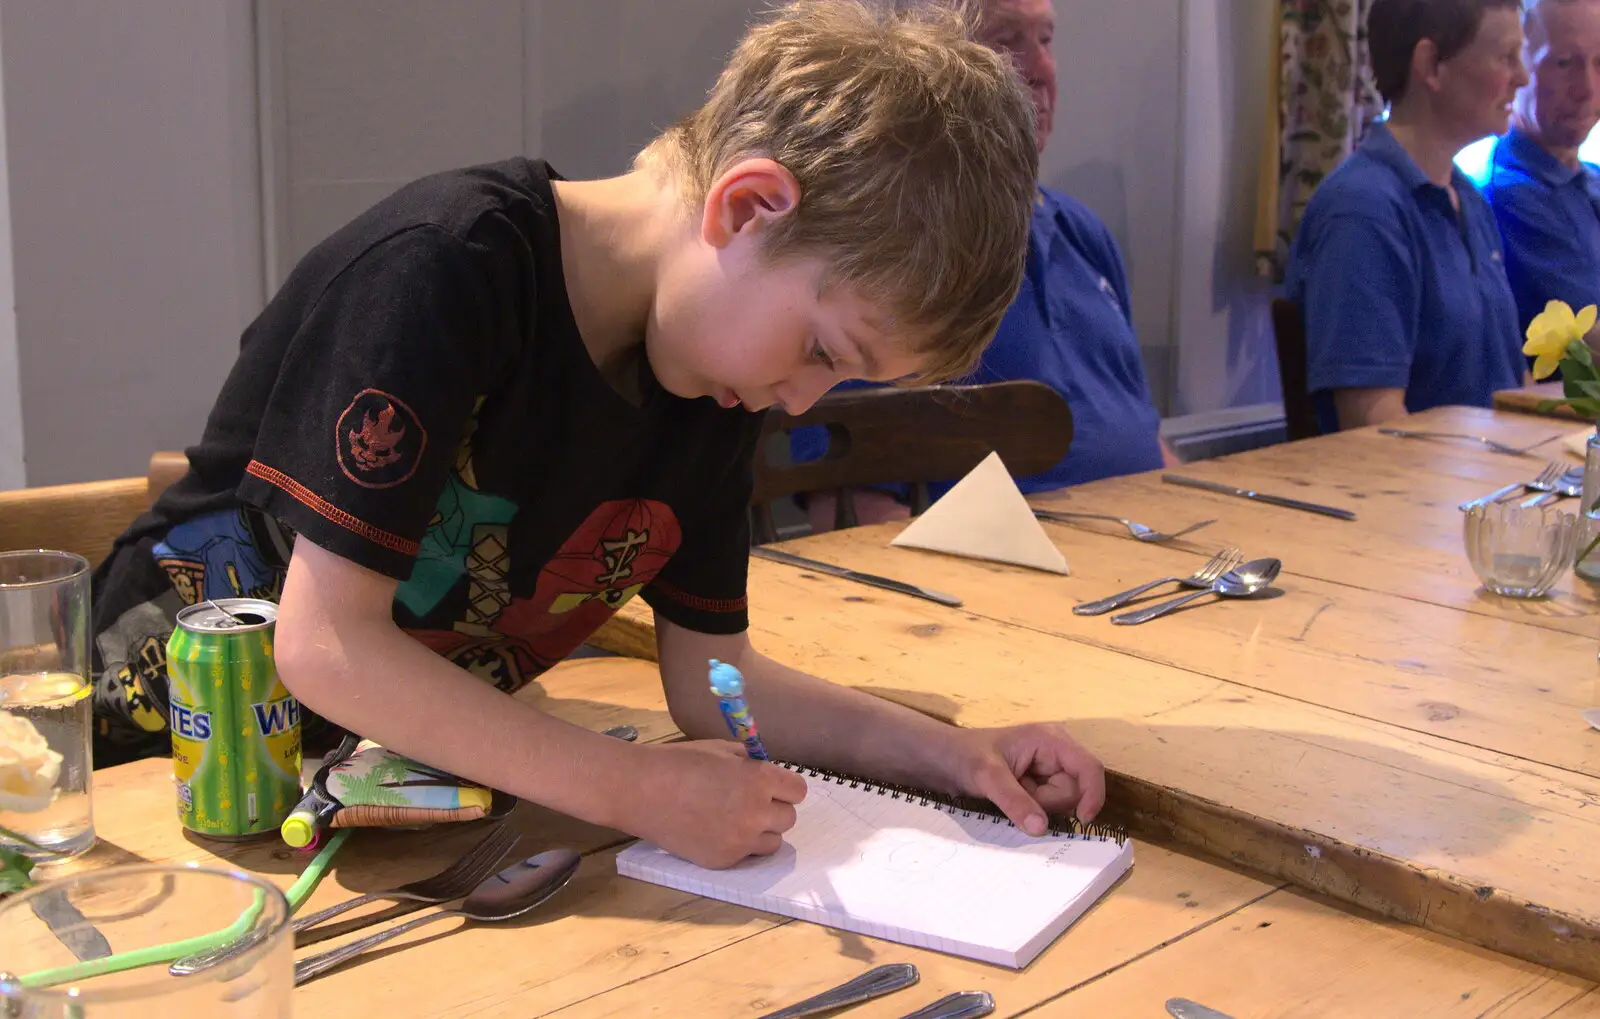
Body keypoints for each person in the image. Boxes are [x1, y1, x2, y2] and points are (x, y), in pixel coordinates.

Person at [86, 0, 1106, 871]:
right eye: (820, 347)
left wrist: (953, 755)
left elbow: (718, 683)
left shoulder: (713, 384)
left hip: (377, 807)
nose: (801, 400)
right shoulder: (449, 269)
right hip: (140, 788)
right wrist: (631, 784)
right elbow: (328, 643)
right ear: (747, 206)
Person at [790, 0, 1174, 534]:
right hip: (1003, 585)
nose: (1040, 70)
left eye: (1045, 40)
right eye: (1007, 41)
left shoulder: (1084, 233)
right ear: (926, 65)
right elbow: (851, 513)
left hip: (1149, 556)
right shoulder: (888, 248)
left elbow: (1142, 437)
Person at [1283, 0, 1530, 433]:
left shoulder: (1468, 200)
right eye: (1506, 57)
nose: (1522, 77)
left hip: (1494, 488)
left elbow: (1509, 388)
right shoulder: (1363, 212)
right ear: (1431, 65)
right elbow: (1374, 428)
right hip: (1424, 494)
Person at [1483, 0, 1600, 338]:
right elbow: (1588, 341)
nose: (1588, 90)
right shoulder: (1507, 193)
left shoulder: (1588, 179)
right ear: (1516, 68)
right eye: (1564, 63)